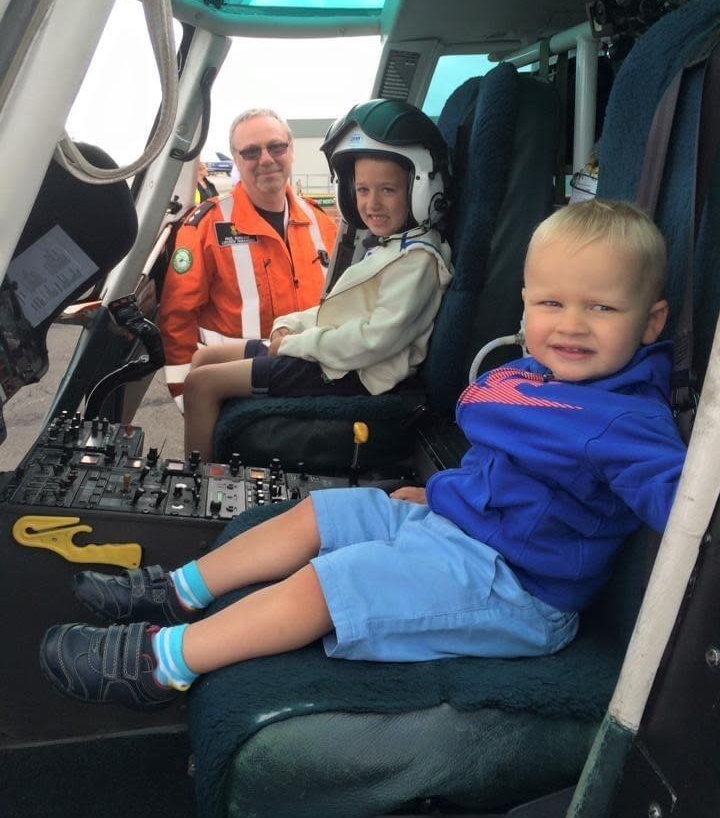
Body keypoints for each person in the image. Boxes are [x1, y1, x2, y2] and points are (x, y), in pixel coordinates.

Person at [40, 199, 687, 710]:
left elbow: (682, 504)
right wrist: (439, 493)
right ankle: (177, 591)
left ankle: (164, 663)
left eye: (601, 308)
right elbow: (505, 466)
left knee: (328, 586)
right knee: (318, 514)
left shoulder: (628, 422)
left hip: (515, 590)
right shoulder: (540, 377)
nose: (571, 324)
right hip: (460, 528)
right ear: (526, 306)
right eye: (552, 303)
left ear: (651, 322)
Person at [180, 99, 454, 461]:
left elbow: (375, 341)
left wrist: (296, 344)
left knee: (202, 384)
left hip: (352, 372)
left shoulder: (416, 260)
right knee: (206, 359)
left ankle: (198, 486)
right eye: (362, 190)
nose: (371, 204)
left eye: (388, 190)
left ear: (419, 189)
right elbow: (334, 309)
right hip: (330, 353)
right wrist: (288, 325)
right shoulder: (390, 247)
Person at [157, 109, 337, 410]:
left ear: (290, 150)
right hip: (239, 396)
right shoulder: (206, 226)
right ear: (236, 160)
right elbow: (177, 319)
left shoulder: (321, 223)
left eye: (276, 147)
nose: (266, 159)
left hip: (313, 389)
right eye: (251, 152)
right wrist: (190, 400)